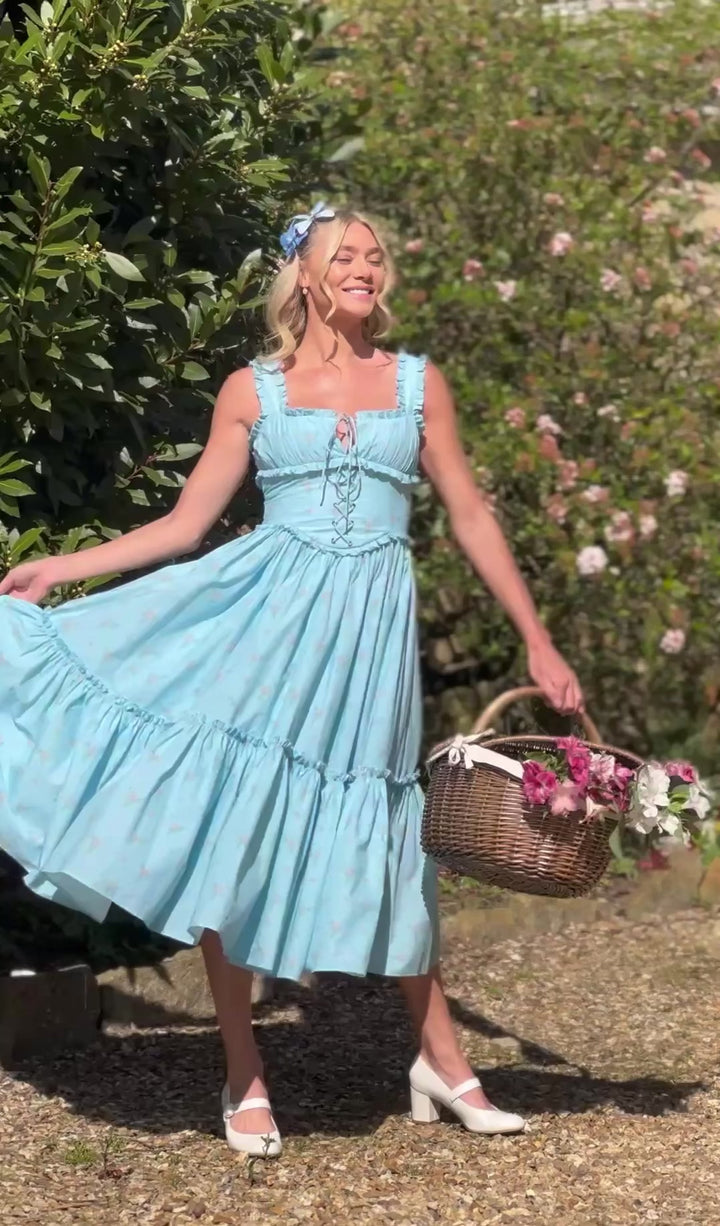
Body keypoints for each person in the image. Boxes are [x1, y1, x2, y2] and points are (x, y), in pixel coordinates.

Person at [0, 204, 583, 1158]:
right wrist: (64, 570)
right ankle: (244, 1073)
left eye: (375, 256)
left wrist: (536, 638)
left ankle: (441, 1059)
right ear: (304, 276)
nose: (365, 268)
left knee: (391, 831)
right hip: (262, 627)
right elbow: (186, 526)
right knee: (237, 826)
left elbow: (471, 514)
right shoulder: (253, 390)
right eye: (345, 255)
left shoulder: (416, 384)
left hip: (368, 642)